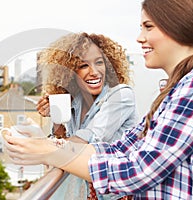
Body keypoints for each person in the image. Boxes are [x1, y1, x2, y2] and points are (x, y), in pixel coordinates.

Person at [4, 0, 193, 199]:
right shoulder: (174, 92)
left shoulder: (189, 90)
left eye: (148, 27)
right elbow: (119, 149)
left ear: (178, 25)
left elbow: (139, 171)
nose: (139, 38)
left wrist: (47, 148)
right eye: (82, 65)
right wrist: (51, 134)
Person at [35, 32, 137, 199]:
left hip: (116, 195)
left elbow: (89, 140)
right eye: (83, 66)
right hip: (88, 191)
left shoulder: (121, 94)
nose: (94, 72)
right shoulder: (77, 101)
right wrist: (57, 118)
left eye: (99, 63)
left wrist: (41, 148)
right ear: (70, 72)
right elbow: (66, 141)